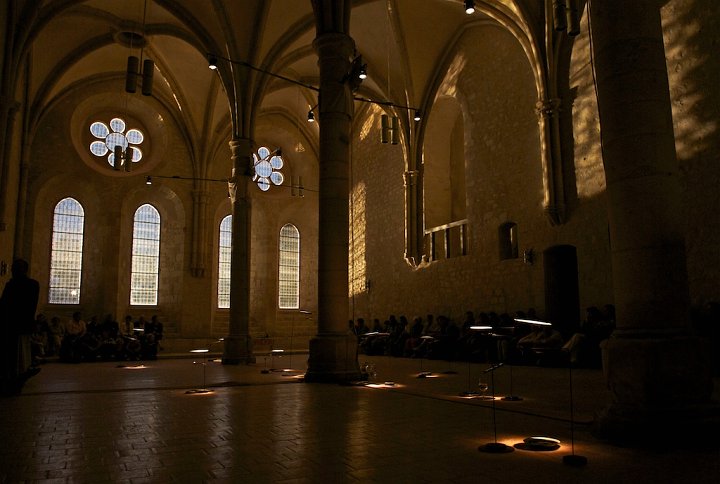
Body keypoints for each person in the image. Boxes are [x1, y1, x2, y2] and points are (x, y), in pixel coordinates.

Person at [0, 259, 41, 395]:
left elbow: (5, 305)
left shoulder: (18, 285)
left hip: (15, 326)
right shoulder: (30, 285)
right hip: (17, 326)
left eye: (15, 268)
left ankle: (15, 381)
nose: (12, 270)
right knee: (17, 358)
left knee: (17, 358)